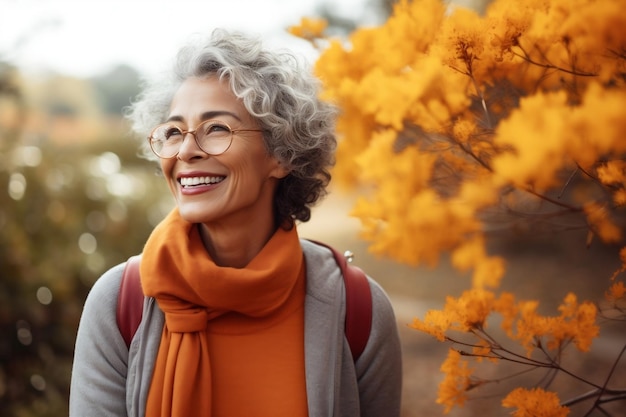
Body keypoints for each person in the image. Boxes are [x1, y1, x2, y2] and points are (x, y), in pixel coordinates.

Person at [69, 28, 402, 417]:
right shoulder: (118, 304)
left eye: (217, 129)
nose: (187, 151)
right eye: (174, 132)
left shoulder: (357, 309)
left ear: (282, 154)